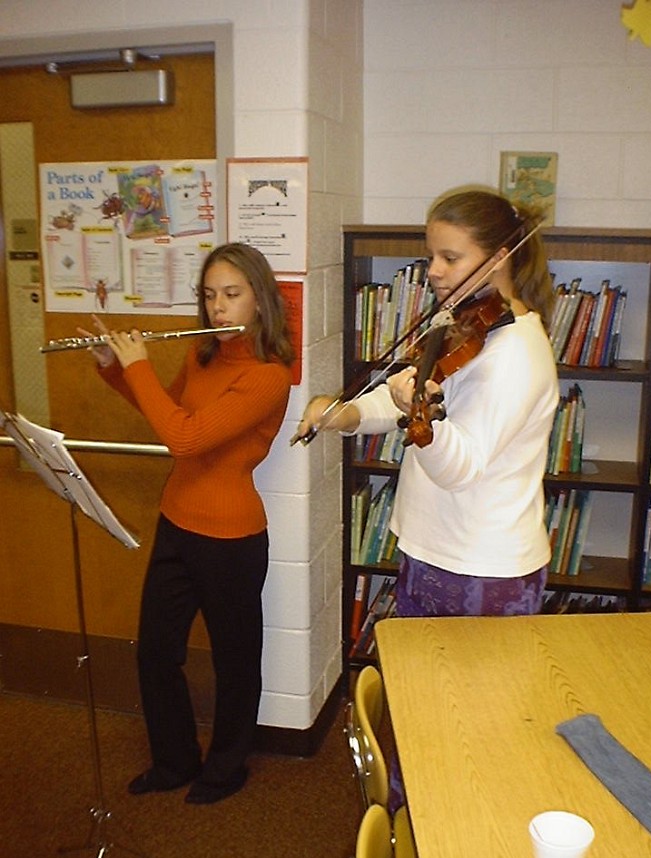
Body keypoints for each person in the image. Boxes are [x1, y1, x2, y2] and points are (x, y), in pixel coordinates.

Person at [295, 187, 559, 803]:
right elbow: (410, 392)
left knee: (468, 731)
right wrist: (346, 415)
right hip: (435, 552)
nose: (433, 271)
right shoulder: (468, 325)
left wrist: (418, 413)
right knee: (423, 712)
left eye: (450, 257)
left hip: (483, 570)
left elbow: (459, 464)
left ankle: (447, 836)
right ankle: (407, 825)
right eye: (431, 255)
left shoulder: (517, 356)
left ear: (499, 258)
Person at [81, 242, 294, 804]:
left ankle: (226, 768)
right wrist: (116, 370)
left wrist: (138, 364)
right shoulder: (203, 357)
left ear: (259, 300)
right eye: (209, 295)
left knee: (235, 661)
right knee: (155, 651)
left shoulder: (269, 376)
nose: (218, 307)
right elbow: (168, 411)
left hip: (232, 537)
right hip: (177, 520)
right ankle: (174, 760)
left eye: (232, 294)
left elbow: (187, 438)